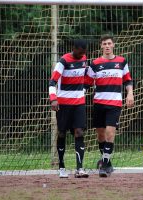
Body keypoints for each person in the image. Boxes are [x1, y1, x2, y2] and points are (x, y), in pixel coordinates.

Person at [85, 34, 134, 177]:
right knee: (100, 135)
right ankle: (108, 163)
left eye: (109, 43)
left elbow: (128, 81)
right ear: (101, 46)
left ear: (113, 45)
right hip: (99, 103)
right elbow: (87, 83)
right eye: (104, 44)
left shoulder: (122, 62)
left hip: (115, 103)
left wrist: (130, 94)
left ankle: (104, 165)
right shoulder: (94, 64)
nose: (107, 46)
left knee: (110, 133)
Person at [49, 39, 89, 178]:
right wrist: (53, 99)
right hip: (64, 103)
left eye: (84, 53)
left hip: (79, 103)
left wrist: (85, 89)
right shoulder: (63, 61)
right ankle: (61, 166)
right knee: (61, 133)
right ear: (74, 48)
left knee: (79, 132)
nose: (81, 55)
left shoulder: (84, 58)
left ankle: (80, 168)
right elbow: (52, 81)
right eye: (79, 52)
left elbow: (86, 76)